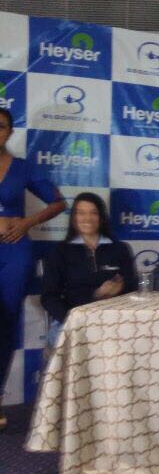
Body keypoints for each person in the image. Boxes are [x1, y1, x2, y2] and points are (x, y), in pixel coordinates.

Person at [0, 108, 64, 430]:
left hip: (14, 251)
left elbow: (58, 203)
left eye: (1, 126)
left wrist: (27, 222)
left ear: (10, 132)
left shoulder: (23, 167)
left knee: (6, 323)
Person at [41, 193, 136, 346]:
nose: (87, 218)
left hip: (114, 320)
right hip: (73, 319)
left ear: (101, 217)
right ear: (74, 217)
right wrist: (95, 296)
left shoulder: (120, 249)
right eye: (81, 213)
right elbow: (49, 297)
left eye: (93, 213)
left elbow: (133, 289)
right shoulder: (60, 251)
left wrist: (120, 289)